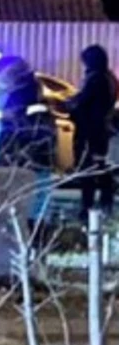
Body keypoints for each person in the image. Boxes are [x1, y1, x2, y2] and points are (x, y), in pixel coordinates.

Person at [67, 44, 117, 222]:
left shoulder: (96, 79)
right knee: (100, 169)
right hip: (100, 132)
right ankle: (105, 206)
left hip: (90, 132)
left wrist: (69, 104)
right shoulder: (109, 78)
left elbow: (82, 101)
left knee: (88, 171)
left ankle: (87, 209)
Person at [0, 55, 47, 169]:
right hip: (1, 143)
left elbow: (23, 113)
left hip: (17, 140)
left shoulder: (26, 89)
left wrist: (4, 116)